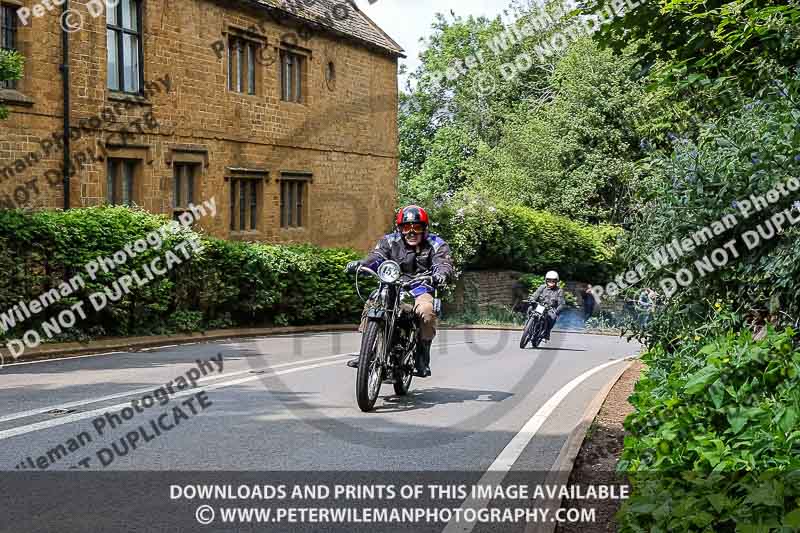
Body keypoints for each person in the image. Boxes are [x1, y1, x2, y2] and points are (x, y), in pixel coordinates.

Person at [344, 205, 454, 378]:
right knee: (373, 300)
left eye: (416, 227)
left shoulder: (436, 244)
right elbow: (377, 256)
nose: (411, 232)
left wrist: (441, 274)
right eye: (406, 227)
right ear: (399, 228)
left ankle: (422, 356)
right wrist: (362, 264)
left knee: (426, 310)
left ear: (424, 228)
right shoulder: (389, 241)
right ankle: (368, 353)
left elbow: (443, 262)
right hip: (392, 285)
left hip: (420, 287)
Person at [529, 271, 566, 341]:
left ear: (556, 281)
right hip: (540, 306)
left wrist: (557, 311)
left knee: (553, 317)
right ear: (546, 280)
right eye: (549, 280)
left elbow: (562, 304)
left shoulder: (559, 291)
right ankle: (528, 325)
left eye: (553, 280)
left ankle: (546, 332)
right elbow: (535, 295)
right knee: (530, 308)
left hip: (550, 309)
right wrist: (532, 300)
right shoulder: (542, 287)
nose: (551, 282)